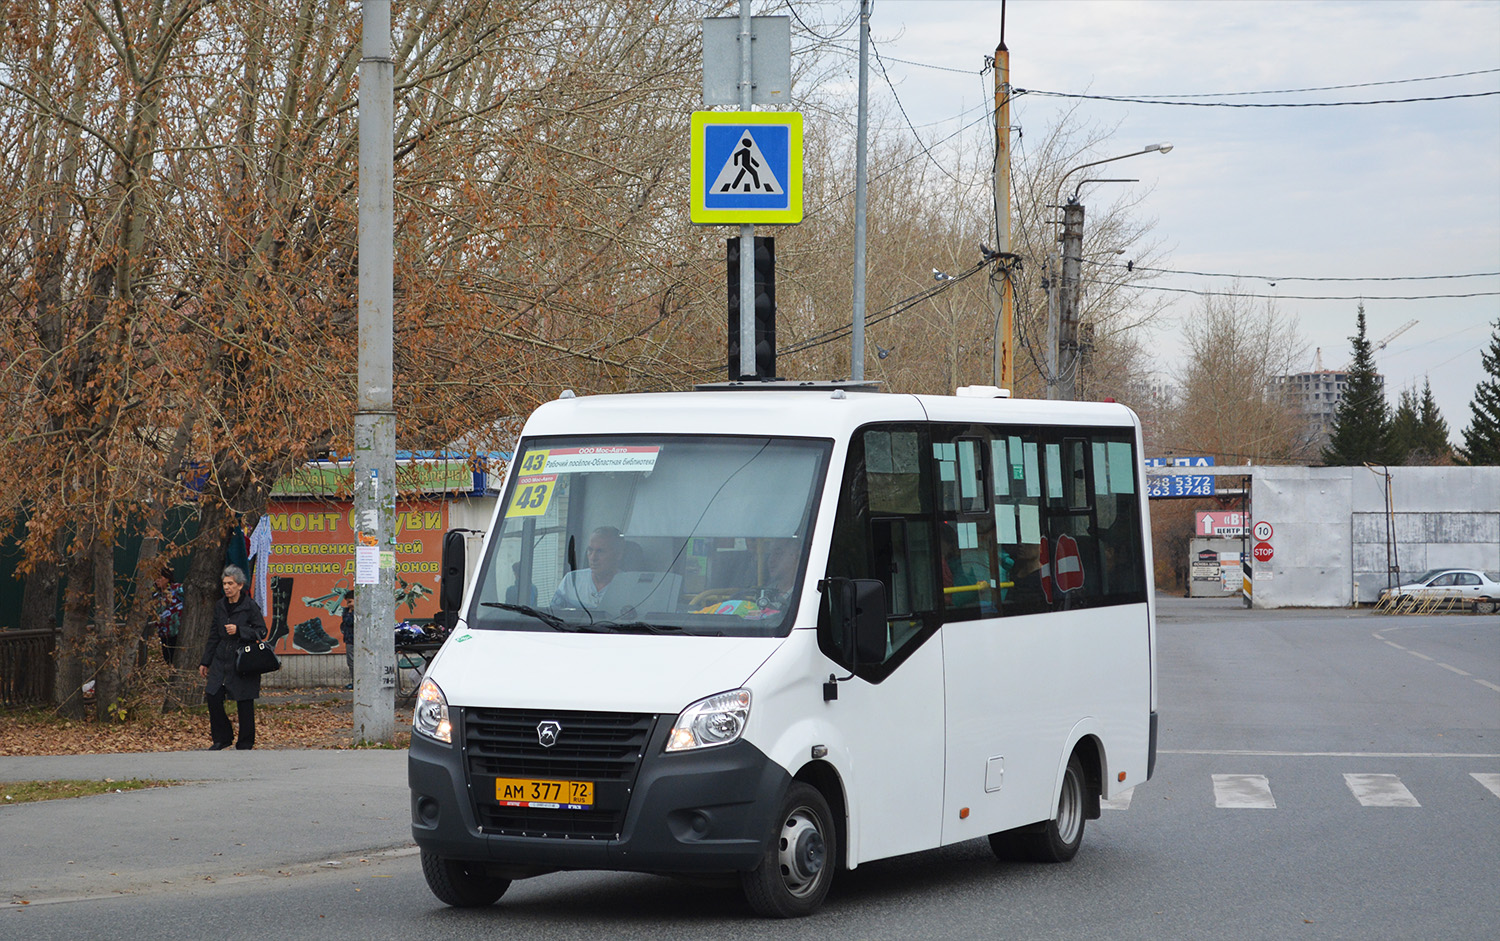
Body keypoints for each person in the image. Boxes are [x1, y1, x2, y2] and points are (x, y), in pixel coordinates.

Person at [199, 565, 267, 751]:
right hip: (222, 656)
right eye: (224, 583)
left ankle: (245, 742)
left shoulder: (250, 606)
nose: (227, 587)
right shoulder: (220, 605)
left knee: (244, 700)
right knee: (213, 696)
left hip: (243, 658)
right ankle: (222, 738)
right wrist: (206, 661)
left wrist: (240, 631)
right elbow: (214, 634)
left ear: (240, 585)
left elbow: (261, 631)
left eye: (230, 583)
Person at [550, 526, 624, 609]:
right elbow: (553, 616)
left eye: (600, 551)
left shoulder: (627, 586)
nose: (593, 557)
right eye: (590, 550)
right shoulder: (572, 580)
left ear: (618, 555)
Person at [148, 565, 184, 664]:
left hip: (180, 633)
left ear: (167, 578)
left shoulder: (177, 589)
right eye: (155, 578)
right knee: (169, 659)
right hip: (165, 635)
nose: (157, 580)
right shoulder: (155, 597)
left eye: (160, 577)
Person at [339, 590, 355, 690]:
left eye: (350, 601)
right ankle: (355, 681)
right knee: (351, 662)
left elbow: (351, 621)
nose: (348, 604)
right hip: (350, 639)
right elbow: (346, 621)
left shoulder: (360, 611)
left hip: (357, 640)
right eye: (347, 602)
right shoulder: (346, 611)